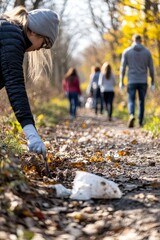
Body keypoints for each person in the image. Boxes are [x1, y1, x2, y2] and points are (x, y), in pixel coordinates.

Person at [0, 6, 59, 157]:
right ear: (33, 32)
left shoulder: (9, 32)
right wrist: (31, 133)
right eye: (44, 43)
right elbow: (15, 86)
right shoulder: (11, 37)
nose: (40, 49)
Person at [119, 34, 155, 128]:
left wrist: (121, 81)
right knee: (141, 101)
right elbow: (151, 68)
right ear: (141, 40)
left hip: (131, 80)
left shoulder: (127, 52)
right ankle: (140, 121)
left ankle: (131, 114)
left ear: (133, 40)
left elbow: (123, 68)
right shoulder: (147, 52)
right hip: (143, 80)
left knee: (131, 99)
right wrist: (153, 82)